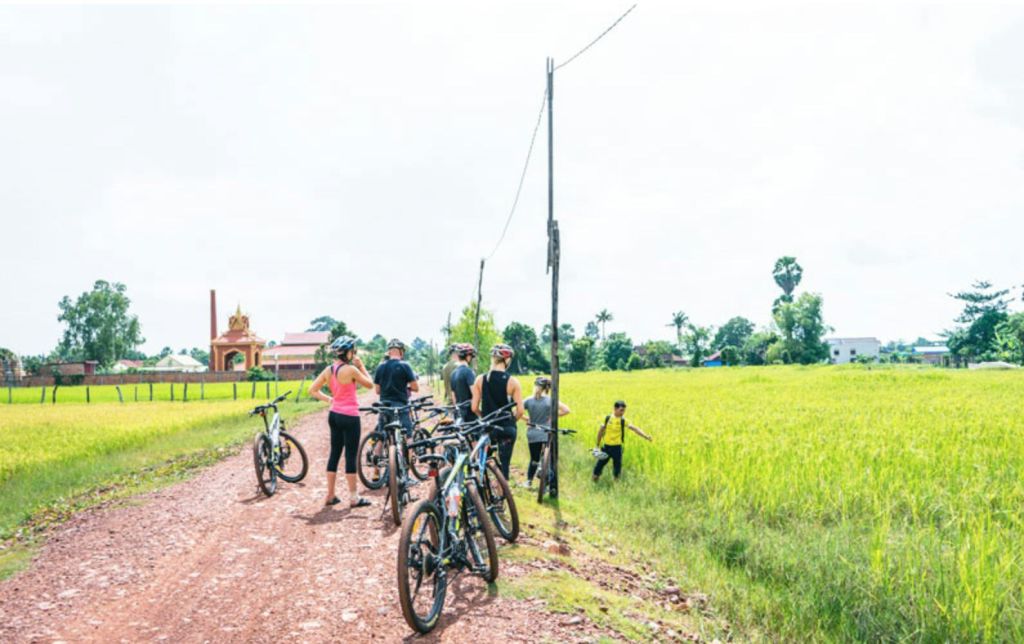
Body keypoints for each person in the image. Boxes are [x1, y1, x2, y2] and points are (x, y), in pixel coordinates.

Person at [307, 336, 374, 508]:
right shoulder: (351, 370)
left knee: (334, 453)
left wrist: (330, 399)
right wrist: (362, 366)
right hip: (350, 416)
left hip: (334, 414)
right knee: (350, 455)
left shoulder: (329, 370)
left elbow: (312, 390)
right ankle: (354, 497)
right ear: (348, 352)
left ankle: (330, 494)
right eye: (353, 350)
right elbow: (370, 385)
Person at [471, 344, 524, 480]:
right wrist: (511, 421)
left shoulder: (480, 380)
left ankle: (483, 491)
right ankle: (502, 494)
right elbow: (520, 411)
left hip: (489, 428)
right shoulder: (513, 382)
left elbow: (474, 407)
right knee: (504, 466)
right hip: (506, 428)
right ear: (507, 360)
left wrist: (484, 416)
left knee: (483, 464)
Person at [523, 376, 571, 488]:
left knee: (534, 458)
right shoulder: (550, 400)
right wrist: (552, 415)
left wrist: (528, 419)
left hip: (532, 432)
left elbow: (517, 411)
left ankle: (529, 481)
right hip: (546, 432)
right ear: (547, 388)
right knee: (547, 457)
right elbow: (567, 410)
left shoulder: (528, 400)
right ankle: (547, 479)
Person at [592, 400, 652, 482]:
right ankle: (594, 483)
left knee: (617, 469)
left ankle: (616, 488)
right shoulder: (607, 418)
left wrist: (646, 436)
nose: (622, 412)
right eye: (621, 410)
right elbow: (600, 431)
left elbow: (635, 429)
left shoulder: (623, 421)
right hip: (606, 447)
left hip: (617, 448)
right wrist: (597, 445)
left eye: (624, 411)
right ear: (615, 409)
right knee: (598, 467)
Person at [373, 338, 419, 434]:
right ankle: (408, 448)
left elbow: (377, 391)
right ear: (401, 352)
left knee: (382, 436)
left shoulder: (380, 366)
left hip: (384, 406)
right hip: (400, 406)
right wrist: (406, 387)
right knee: (407, 435)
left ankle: (379, 447)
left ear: (389, 352)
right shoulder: (405, 365)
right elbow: (415, 388)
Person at [449, 343, 477, 422]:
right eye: (471, 356)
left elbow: (453, 396)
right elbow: (474, 394)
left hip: (459, 412)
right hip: (470, 413)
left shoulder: (453, 373)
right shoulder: (469, 372)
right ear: (468, 357)